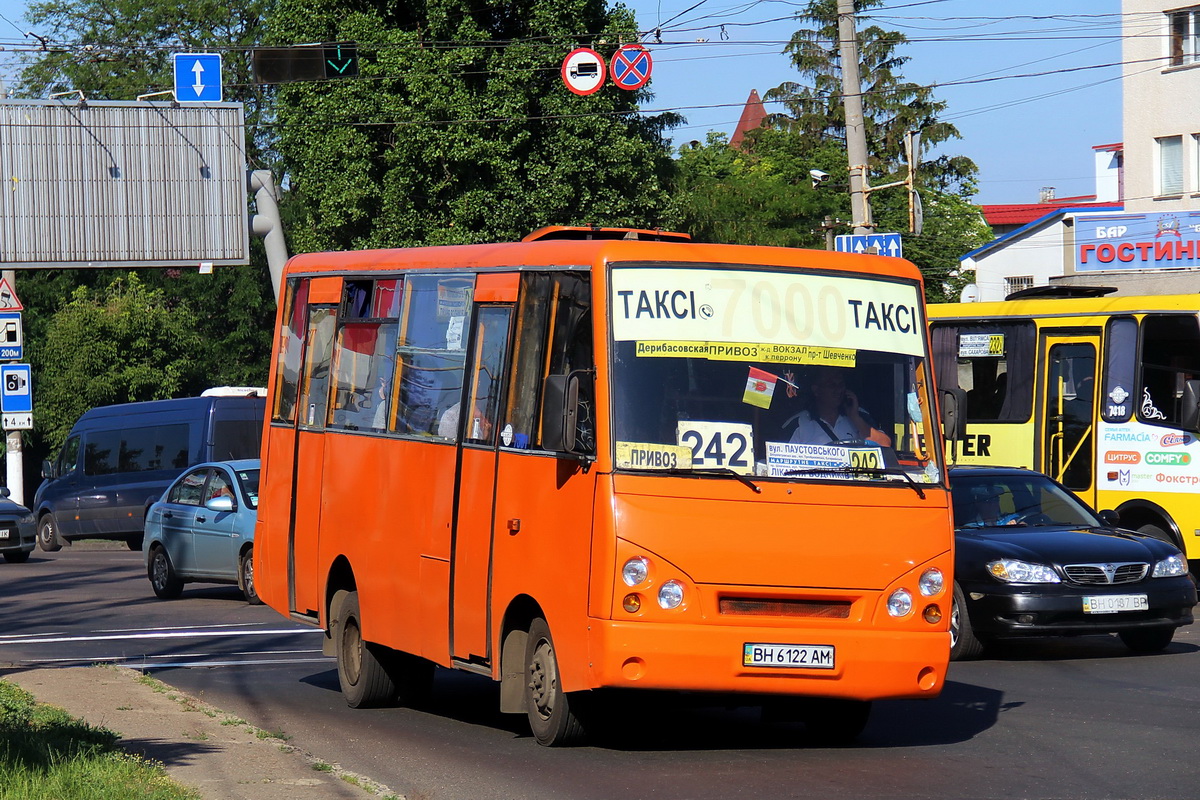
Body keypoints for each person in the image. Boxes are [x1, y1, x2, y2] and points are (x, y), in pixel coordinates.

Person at [788, 366, 892, 447]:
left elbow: (885, 445)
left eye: (841, 384)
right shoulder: (798, 423)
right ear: (816, 390)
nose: (838, 390)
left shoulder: (860, 415)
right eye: (831, 385)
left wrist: (855, 418)